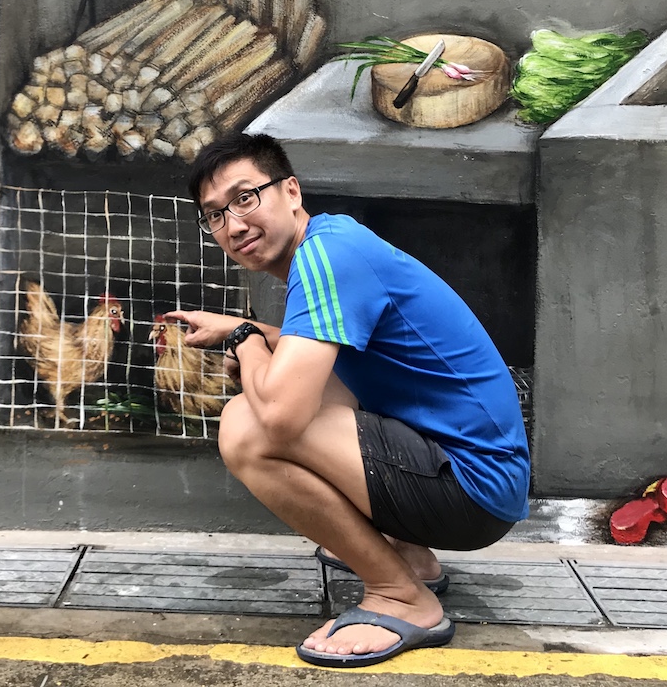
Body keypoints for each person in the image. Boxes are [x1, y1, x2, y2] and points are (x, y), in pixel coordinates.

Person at [167, 132, 530, 669]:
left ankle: (400, 595)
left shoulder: (327, 260)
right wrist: (246, 331)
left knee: (248, 425)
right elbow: (319, 357)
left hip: (472, 487)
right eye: (215, 215)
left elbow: (283, 419)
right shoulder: (335, 243)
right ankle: (411, 559)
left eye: (245, 197)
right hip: (471, 474)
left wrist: (243, 340)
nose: (234, 224)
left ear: (291, 191)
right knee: (308, 381)